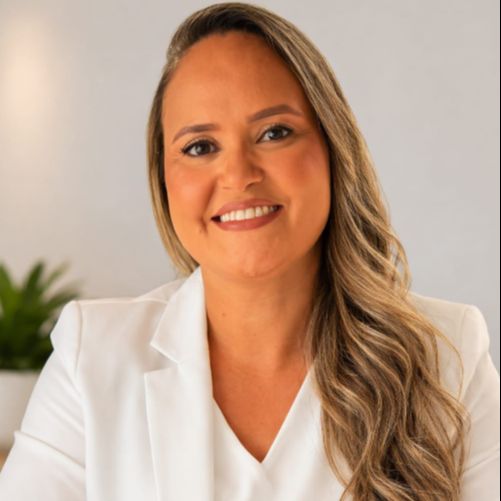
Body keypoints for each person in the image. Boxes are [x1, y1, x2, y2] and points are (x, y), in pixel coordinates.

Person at [0, 3, 499, 500]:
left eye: (274, 133)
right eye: (200, 146)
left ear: (333, 149)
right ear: (164, 179)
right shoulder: (93, 357)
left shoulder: (449, 356)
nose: (239, 175)